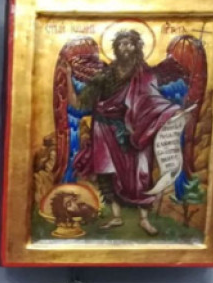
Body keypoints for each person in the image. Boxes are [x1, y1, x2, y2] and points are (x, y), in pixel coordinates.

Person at [70, 31, 186, 236]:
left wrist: (170, 111)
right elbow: (88, 99)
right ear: (115, 47)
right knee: (107, 171)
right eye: (122, 44)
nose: (125, 48)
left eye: (130, 44)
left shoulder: (145, 74)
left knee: (140, 173)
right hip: (104, 127)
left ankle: (144, 219)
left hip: (136, 129)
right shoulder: (106, 73)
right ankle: (116, 216)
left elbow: (152, 99)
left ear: (137, 47)